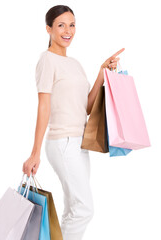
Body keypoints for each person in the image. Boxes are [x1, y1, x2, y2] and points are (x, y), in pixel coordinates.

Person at [22, 4, 124, 240]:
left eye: (72, 25)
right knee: (84, 209)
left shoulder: (76, 64)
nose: (67, 30)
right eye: (61, 25)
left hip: (80, 142)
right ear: (48, 29)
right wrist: (35, 152)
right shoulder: (47, 60)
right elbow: (44, 106)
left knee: (74, 209)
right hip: (62, 142)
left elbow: (86, 108)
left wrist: (101, 72)